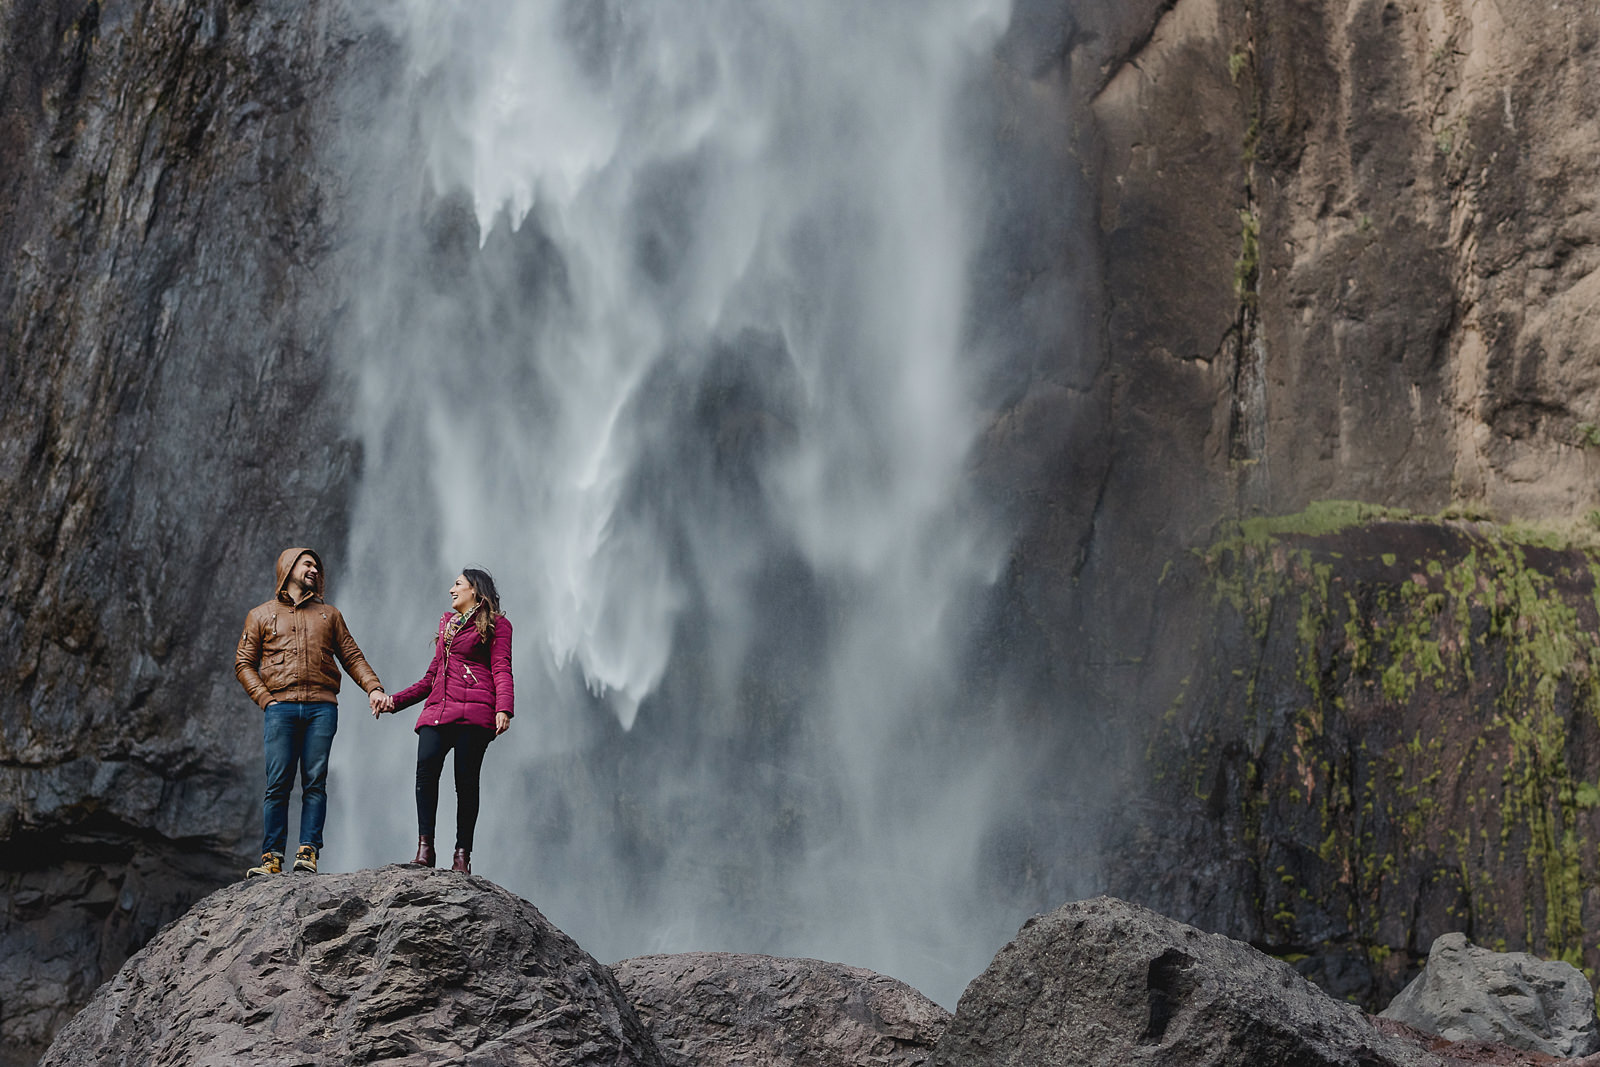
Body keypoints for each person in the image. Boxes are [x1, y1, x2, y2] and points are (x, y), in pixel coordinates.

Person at [235, 547, 388, 877]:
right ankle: (271, 857)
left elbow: (352, 657)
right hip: (281, 709)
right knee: (277, 784)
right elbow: (243, 663)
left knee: (315, 782)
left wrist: (373, 687)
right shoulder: (260, 615)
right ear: (287, 568)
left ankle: (308, 851)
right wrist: (265, 699)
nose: (314, 570)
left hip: (322, 707)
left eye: (317, 566)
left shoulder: (328, 615)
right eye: (307, 564)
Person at [378, 568, 513, 875]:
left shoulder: (497, 625)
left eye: (457, 584)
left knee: (465, 784)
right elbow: (431, 678)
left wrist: (503, 708)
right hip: (438, 711)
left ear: (475, 591)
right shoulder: (447, 628)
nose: (451, 590)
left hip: (476, 714)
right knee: (425, 771)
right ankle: (425, 849)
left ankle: (461, 855)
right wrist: (393, 702)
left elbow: (502, 668)